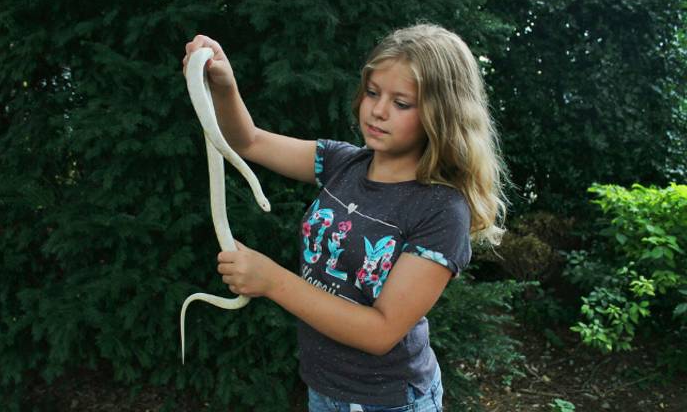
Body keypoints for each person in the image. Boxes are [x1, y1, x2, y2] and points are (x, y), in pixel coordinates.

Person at [182, 23, 508, 412]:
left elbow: (381, 332)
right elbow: (247, 141)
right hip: (324, 387)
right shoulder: (343, 163)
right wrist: (223, 85)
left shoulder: (440, 210)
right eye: (373, 92)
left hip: (388, 402)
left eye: (401, 103)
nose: (378, 110)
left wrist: (272, 281)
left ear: (441, 114)